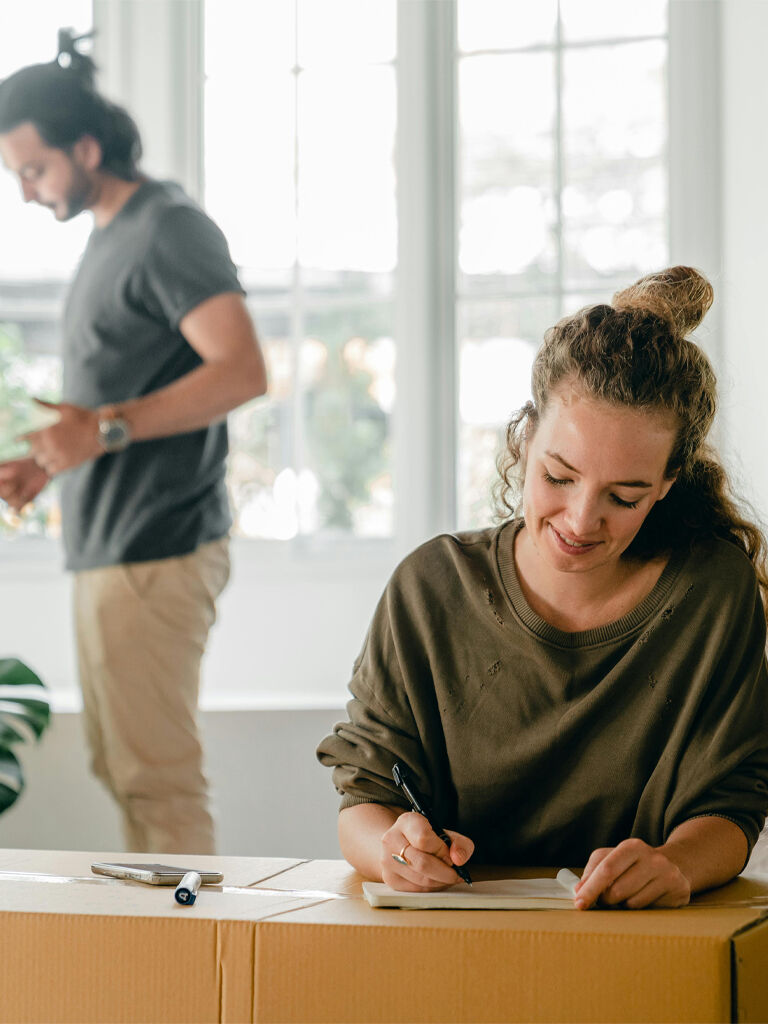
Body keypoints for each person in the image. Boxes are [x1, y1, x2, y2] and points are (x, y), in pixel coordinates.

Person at [317, 265, 768, 909]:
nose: (582, 521)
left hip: (639, 944)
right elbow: (365, 795)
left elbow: (732, 802)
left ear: (668, 484)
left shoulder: (711, 592)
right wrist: (394, 848)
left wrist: (675, 866)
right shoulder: (430, 589)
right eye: (559, 476)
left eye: (625, 495)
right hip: (453, 943)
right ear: (526, 441)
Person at [0, 40, 267, 854]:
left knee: (158, 781)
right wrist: (50, 461)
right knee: (124, 772)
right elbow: (121, 400)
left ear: (86, 150)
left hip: (156, 547)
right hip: (110, 548)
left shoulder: (167, 228)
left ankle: (190, 978)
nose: (24, 192)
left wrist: (103, 427)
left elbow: (243, 370)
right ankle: (170, 971)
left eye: (35, 170)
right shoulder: (111, 235)